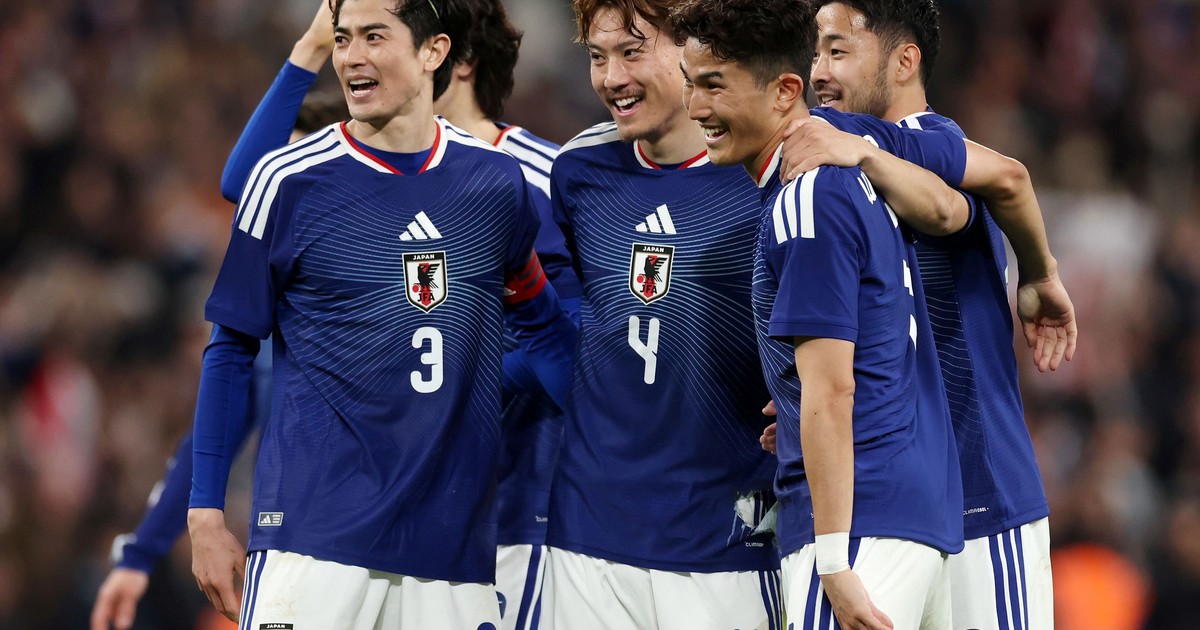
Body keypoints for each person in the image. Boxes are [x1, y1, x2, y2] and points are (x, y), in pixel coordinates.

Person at [186, 0, 575, 628]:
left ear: (433, 52)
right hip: (314, 544)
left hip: (453, 554)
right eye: (342, 39)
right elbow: (230, 348)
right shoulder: (286, 180)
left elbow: (544, 330)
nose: (351, 57)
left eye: (374, 36)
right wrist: (205, 513)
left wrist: (636, 430)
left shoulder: (496, 184)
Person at [673, 0, 979, 627]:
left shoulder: (808, 198)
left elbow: (834, 389)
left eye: (714, 85)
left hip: (859, 526)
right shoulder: (850, 182)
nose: (695, 107)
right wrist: (794, 409)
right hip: (911, 516)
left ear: (785, 91)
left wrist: (834, 560)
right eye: (689, 83)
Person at [796, 2, 1075, 627]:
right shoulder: (841, 173)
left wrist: (1041, 272)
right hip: (903, 507)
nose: (818, 72)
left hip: (984, 497)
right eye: (815, 53)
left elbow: (1009, 177)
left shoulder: (920, 140)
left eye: (838, 51)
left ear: (904, 61)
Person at [90, 5, 346, 628]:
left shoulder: (388, 286)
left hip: (406, 552)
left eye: (289, 173)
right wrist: (140, 554)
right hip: (299, 557)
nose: (269, 197)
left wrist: (314, 47)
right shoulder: (270, 329)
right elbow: (209, 443)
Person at [542, 1, 783, 627]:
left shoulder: (772, 173)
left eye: (632, 52)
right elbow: (561, 327)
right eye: (598, 57)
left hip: (723, 537)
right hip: (587, 535)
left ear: (693, 50)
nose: (612, 78)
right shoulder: (578, 170)